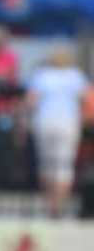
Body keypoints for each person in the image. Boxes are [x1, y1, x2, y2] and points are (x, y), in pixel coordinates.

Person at [26, 46, 90, 218]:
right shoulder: (76, 75)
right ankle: (59, 207)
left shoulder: (41, 75)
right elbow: (88, 100)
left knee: (46, 165)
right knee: (64, 166)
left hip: (44, 122)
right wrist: (83, 119)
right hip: (68, 123)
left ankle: (49, 206)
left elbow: (31, 101)